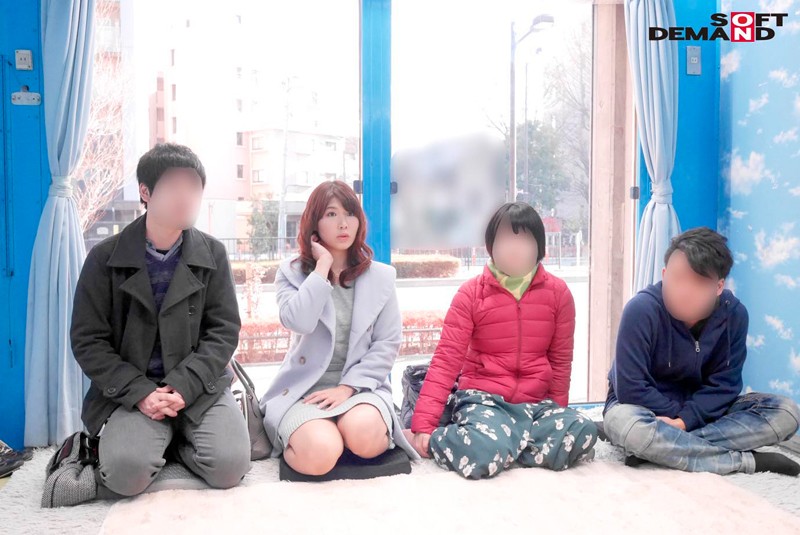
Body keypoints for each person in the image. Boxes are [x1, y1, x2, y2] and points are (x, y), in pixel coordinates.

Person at [71, 143, 251, 496]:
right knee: (125, 475)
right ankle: (156, 440)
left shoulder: (212, 253)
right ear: (145, 192)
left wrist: (184, 386)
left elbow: (224, 331)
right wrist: (140, 392)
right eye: (173, 187)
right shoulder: (104, 257)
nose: (186, 197)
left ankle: (177, 442)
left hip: (198, 386)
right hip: (134, 390)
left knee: (230, 467)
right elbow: (88, 340)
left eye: (193, 187)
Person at [406, 202, 597, 479]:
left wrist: (558, 412)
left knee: (583, 431)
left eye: (525, 240)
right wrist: (424, 426)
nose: (515, 248)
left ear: (539, 247)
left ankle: (504, 446)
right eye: (506, 239)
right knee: (483, 450)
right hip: (485, 401)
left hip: (535, 405)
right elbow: (446, 360)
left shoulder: (558, 293)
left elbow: (560, 361)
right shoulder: (471, 293)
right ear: (491, 246)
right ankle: (483, 443)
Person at [603, 227, 800, 476]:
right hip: (642, 411)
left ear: (718, 286)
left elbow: (725, 386)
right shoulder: (641, 310)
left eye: (698, 282)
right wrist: (679, 418)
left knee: (786, 413)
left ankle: (660, 449)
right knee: (631, 428)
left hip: (705, 413)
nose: (684, 291)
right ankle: (744, 462)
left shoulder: (734, 315)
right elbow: (630, 388)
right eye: (677, 278)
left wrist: (684, 423)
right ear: (664, 274)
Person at [260, 180, 419, 476]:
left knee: (365, 436)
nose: (343, 223)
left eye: (350, 213)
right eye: (331, 214)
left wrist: (348, 388)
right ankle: (324, 439)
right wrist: (322, 268)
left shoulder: (381, 277)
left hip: (360, 387)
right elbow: (299, 321)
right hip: (305, 390)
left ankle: (344, 435)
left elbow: (387, 343)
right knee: (319, 454)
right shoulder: (292, 273)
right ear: (314, 223)